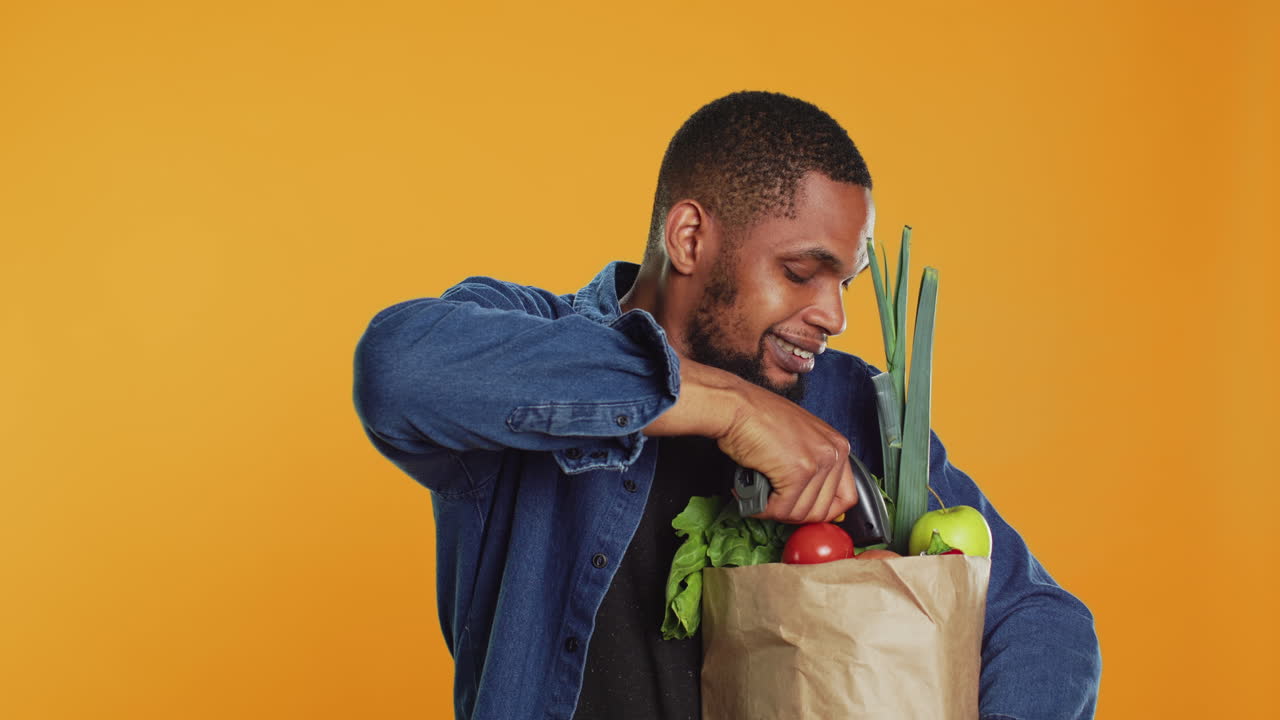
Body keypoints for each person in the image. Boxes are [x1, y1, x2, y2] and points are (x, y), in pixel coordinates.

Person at [353, 91, 1101, 720]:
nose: (834, 316)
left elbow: (1044, 621)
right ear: (689, 237)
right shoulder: (532, 343)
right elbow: (397, 368)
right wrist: (734, 410)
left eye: (845, 281)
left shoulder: (851, 407)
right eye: (802, 272)